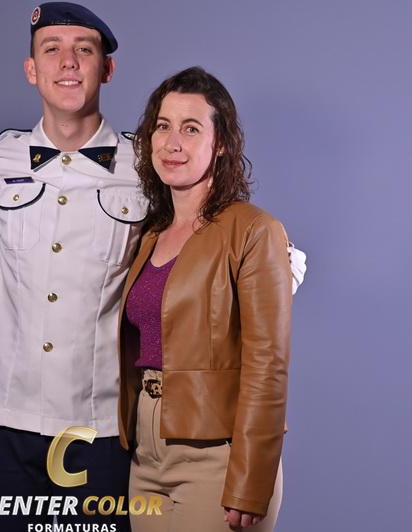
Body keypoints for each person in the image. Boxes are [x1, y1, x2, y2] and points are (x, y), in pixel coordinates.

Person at [0, 4, 305, 532]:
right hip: (4, 416)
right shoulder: (0, 160)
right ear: (31, 69)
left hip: (103, 424)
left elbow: (240, 253)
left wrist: (265, 280)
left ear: (107, 69)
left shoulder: (145, 164)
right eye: (52, 50)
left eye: (84, 50)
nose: (68, 63)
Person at [117, 66, 291, 532]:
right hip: (146, 456)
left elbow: (268, 365)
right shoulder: (150, 234)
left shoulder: (254, 230)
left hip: (218, 457)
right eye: (163, 126)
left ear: (221, 144)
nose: (172, 142)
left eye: (191, 128)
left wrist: (251, 480)